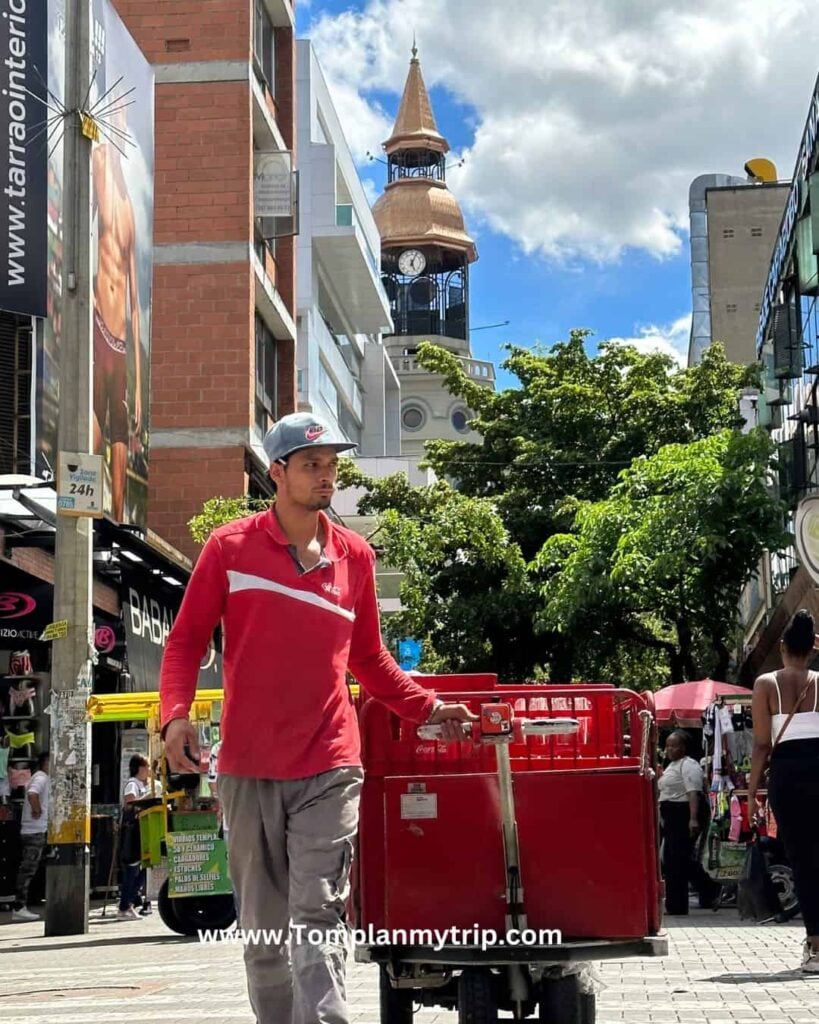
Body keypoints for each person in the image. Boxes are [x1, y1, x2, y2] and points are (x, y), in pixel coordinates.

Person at [161, 412, 474, 1024]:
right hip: (249, 767)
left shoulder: (355, 555)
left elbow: (370, 659)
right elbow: (185, 643)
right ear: (277, 472)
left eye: (332, 464)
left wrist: (429, 708)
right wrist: (176, 716)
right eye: (312, 464)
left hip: (332, 762)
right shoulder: (229, 549)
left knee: (317, 912)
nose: (326, 475)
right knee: (264, 931)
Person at [748, 609, 819, 973]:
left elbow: (761, 745)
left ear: (781, 645)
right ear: (815, 646)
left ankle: (815, 945)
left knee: (803, 860)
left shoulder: (765, 684)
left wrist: (750, 795)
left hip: (788, 775)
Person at [91, 101, 141, 523]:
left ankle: (120, 518)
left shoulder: (130, 212)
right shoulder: (99, 163)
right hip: (95, 316)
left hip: (121, 336)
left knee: (120, 424)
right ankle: (87, 509)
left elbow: (137, 303)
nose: (124, 126)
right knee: (95, 410)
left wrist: (140, 383)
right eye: (119, 117)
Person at [657, 731, 720, 915]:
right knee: (677, 859)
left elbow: (693, 793)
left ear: (683, 747)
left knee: (676, 860)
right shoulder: (672, 766)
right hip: (670, 815)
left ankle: (677, 905)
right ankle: (708, 890)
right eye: (668, 745)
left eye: (674, 745)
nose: (670, 749)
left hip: (682, 814)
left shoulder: (689, 765)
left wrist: (692, 819)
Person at [12, 752, 49, 922]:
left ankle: (26, 903)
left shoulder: (40, 777)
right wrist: (36, 809)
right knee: (27, 870)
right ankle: (19, 906)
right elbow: (33, 793)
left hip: (35, 830)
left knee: (31, 869)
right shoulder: (41, 778)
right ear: (46, 763)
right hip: (34, 830)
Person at [118, 754, 150, 921]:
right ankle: (124, 907)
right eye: (146, 767)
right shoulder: (133, 784)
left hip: (141, 832)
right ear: (139, 768)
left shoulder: (143, 784)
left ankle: (130, 904)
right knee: (132, 870)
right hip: (132, 832)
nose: (149, 771)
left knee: (142, 871)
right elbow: (130, 802)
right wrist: (148, 797)